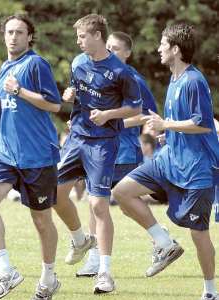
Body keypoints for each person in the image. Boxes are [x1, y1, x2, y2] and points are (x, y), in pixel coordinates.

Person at [113, 24, 219, 300]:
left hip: (197, 169)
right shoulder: (175, 79)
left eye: (162, 44)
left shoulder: (193, 81)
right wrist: (167, 133)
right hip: (169, 160)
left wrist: (166, 125)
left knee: (199, 234)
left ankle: (211, 293)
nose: (158, 48)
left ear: (175, 49)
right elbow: (182, 125)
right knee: (123, 192)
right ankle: (164, 243)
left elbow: (203, 124)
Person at [0, 14, 62, 300]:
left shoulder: (36, 64)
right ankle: (5, 271)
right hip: (5, 152)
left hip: (37, 155)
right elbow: (12, 106)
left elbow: (54, 104)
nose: (13, 37)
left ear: (29, 37)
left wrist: (19, 91)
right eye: (9, 32)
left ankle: (48, 279)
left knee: (41, 221)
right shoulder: (4, 67)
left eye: (19, 32)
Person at [55, 14, 142, 293]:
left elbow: (135, 109)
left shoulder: (121, 72)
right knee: (54, 194)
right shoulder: (78, 62)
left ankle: (104, 273)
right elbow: (78, 95)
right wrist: (70, 97)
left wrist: (108, 115)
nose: (78, 41)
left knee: (98, 206)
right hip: (76, 138)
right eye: (78, 37)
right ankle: (80, 240)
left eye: (82, 36)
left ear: (97, 36)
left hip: (103, 143)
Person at [75, 31, 158, 277]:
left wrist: (115, 122)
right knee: (95, 202)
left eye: (116, 48)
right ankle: (94, 259)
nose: (110, 52)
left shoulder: (133, 78)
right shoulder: (97, 76)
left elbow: (148, 114)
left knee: (123, 202)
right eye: (108, 47)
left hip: (123, 151)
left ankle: (161, 240)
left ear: (128, 53)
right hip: (99, 149)